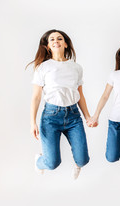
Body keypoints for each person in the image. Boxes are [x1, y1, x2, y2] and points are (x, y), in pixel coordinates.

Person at [29, 29, 92, 179]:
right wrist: (32, 122)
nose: (56, 41)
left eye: (59, 38)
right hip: (51, 117)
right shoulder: (43, 67)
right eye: (52, 40)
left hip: (73, 116)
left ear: (65, 44)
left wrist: (88, 117)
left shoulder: (76, 67)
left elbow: (80, 95)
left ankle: (78, 164)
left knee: (83, 160)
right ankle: (39, 161)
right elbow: (36, 97)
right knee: (52, 163)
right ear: (48, 46)